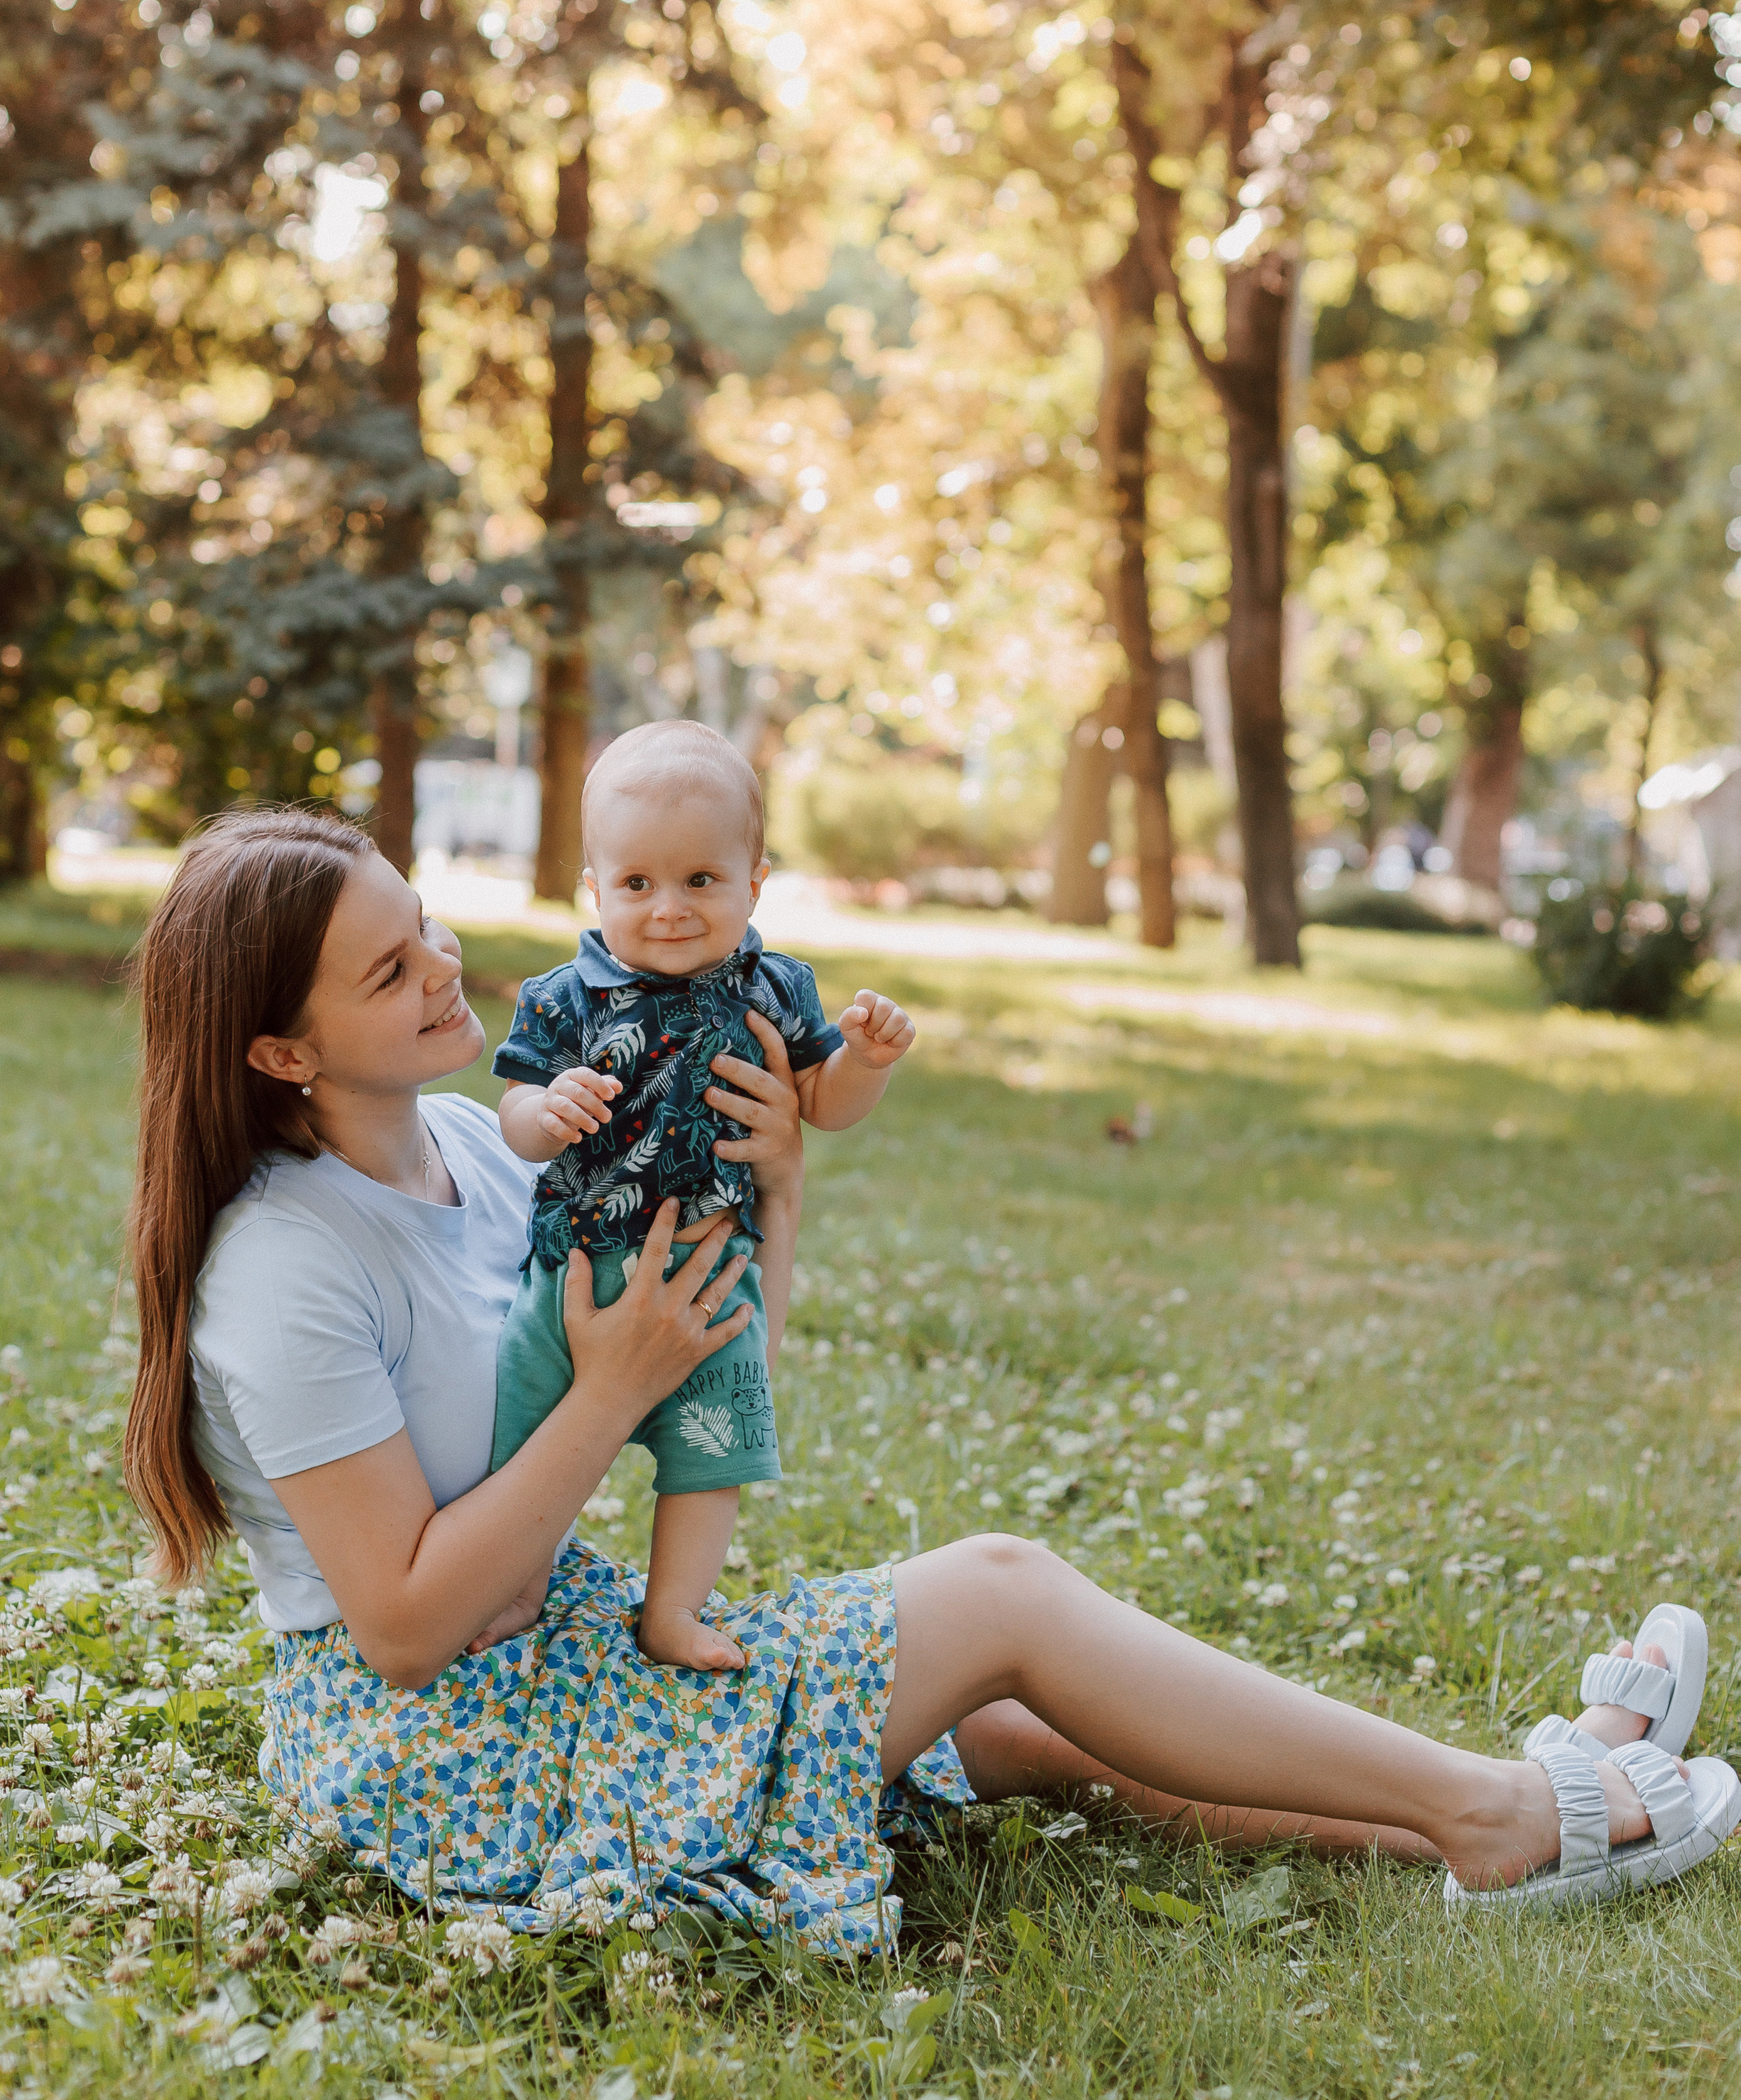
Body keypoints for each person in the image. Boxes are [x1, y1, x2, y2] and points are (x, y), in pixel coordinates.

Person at [121, 805, 1740, 1950]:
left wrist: (779, 1188)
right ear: (282, 1051)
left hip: (558, 1657)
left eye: (425, 927)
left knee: (1017, 1722)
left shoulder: (478, 1148)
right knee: (1001, 1597)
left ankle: (1510, 1804)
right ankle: (1512, 1815)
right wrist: (607, 1392)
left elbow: (702, 1354)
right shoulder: (285, 1269)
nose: (447, 964)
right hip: (454, 1752)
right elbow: (403, 1632)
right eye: (391, 969)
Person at [491, 721, 914, 1674]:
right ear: (596, 890)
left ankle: (674, 1609)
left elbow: (820, 1106)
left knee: (711, 1455)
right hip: (578, 1269)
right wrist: (544, 1110)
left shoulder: (775, 989)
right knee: (522, 1427)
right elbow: (515, 1110)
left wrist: (868, 1064)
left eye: (701, 881)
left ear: (755, 882)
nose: (670, 909)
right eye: (637, 885)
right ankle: (517, 1581)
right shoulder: (564, 998)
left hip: (714, 1267)